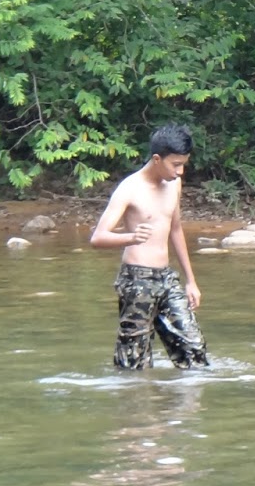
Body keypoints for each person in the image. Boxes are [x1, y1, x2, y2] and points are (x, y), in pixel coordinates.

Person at [89, 123, 209, 370]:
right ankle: (137, 405)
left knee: (194, 349)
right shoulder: (130, 189)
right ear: (157, 159)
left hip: (166, 278)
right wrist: (130, 237)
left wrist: (191, 280)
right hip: (137, 279)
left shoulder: (174, 184)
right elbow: (98, 238)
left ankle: (184, 406)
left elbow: (175, 229)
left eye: (183, 164)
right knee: (134, 361)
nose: (180, 171)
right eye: (175, 164)